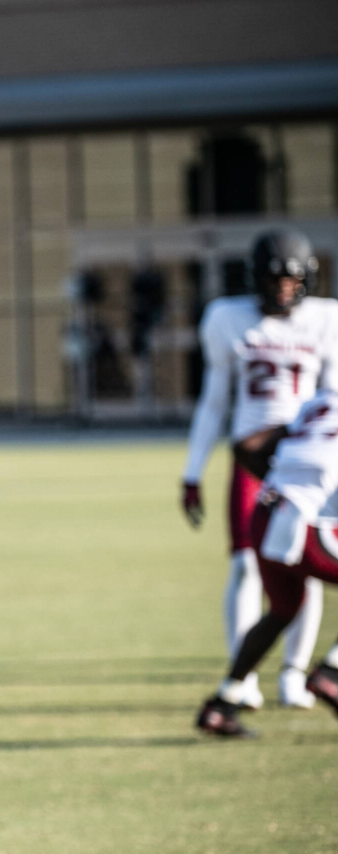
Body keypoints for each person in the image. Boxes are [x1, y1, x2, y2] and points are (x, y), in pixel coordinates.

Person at [181, 230, 338, 709]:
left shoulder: (325, 319)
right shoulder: (228, 318)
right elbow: (214, 401)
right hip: (254, 458)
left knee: (303, 571)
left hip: (308, 457)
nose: (283, 288)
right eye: (274, 279)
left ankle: (293, 675)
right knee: (246, 565)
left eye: (292, 279)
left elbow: (332, 397)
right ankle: (243, 677)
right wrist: (193, 471)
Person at [196, 389, 338, 737]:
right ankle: (331, 673)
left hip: (265, 513)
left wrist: (286, 481)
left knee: (283, 609)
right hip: (304, 522)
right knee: (283, 609)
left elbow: (248, 445)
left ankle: (222, 704)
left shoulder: (323, 401)